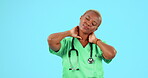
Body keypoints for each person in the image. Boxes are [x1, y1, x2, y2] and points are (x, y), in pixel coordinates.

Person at [47, 9, 117, 78]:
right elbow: (51, 40)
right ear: (81, 18)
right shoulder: (67, 43)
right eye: (87, 19)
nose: (89, 23)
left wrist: (96, 41)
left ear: (96, 29)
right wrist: (69, 33)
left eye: (93, 24)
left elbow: (111, 54)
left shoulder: (99, 45)